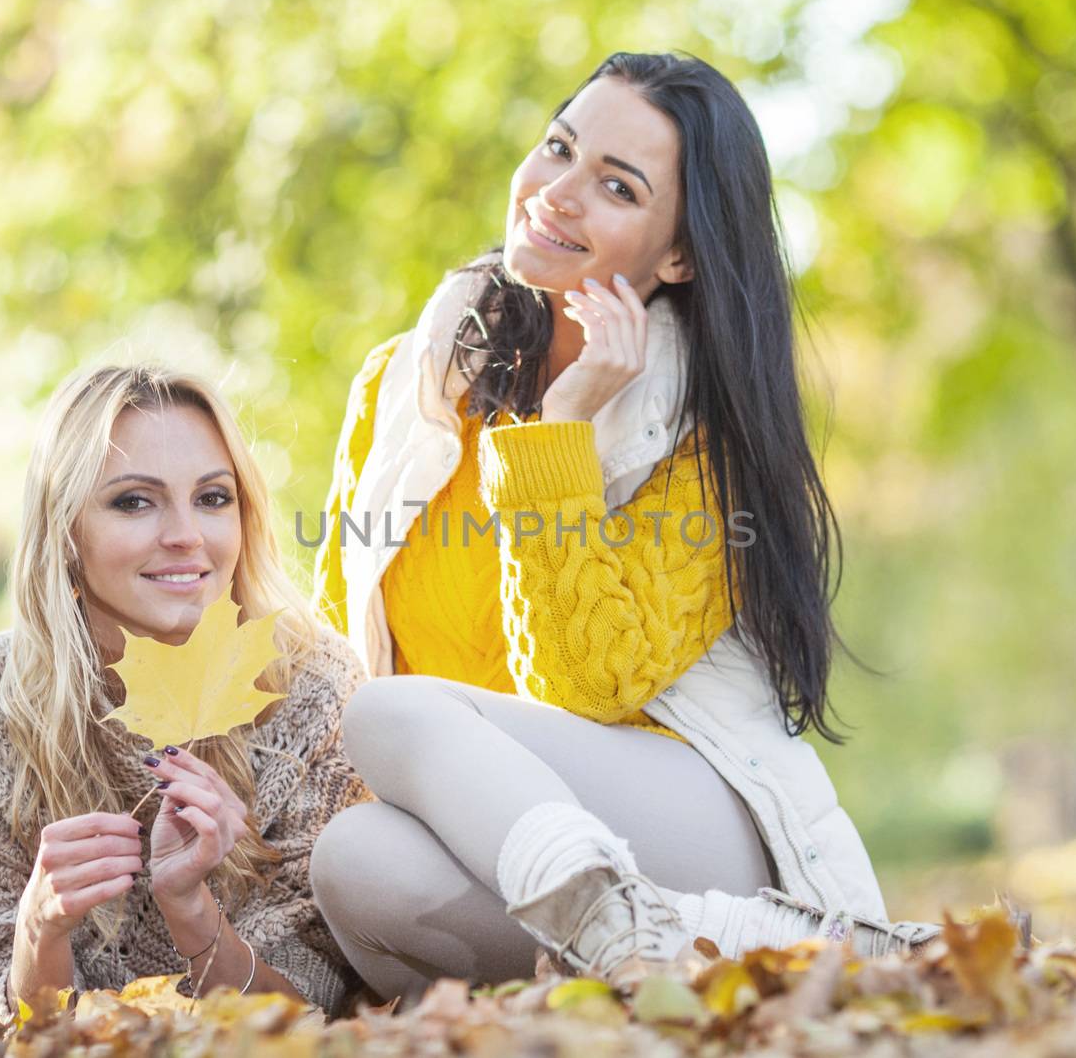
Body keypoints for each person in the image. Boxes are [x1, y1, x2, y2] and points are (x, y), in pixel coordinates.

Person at [307, 51, 938, 1006]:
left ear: (676, 253)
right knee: (354, 858)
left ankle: (666, 927)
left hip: (688, 813)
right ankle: (689, 955)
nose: (557, 194)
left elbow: (587, 686)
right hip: (524, 849)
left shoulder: (702, 434)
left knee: (393, 713)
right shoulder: (403, 384)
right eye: (559, 149)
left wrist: (562, 431)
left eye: (616, 185)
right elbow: (337, 648)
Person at [0, 365, 372, 1023]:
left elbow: (309, 1015)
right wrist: (39, 928)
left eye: (213, 498)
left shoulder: (309, 685)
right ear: (67, 534)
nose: (186, 535)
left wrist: (193, 910)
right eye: (134, 501)